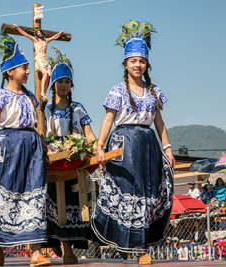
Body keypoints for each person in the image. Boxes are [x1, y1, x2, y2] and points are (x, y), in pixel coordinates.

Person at [91, 20, 174, 265]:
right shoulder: (117, 90)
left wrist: (167, 148)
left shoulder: (153, 91)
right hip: (123, 144)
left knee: (148, 193)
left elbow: (159, 122)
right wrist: (99, 146)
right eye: (133, 61)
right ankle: (130, 246)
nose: (138, 65)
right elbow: (108, 120)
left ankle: (141, 244)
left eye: (141, 61)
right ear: (125, 64)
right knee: (128, 193)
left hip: (148, 145)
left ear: (147, 64)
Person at [0, 34, 50, 267]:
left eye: (28, 68)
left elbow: (37, 120)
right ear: (10, 72)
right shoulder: (0, 95)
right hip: (8, 147)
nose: (28, 72)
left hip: (32, 147)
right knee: (6, 195)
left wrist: (43, 144)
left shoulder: (30, 96)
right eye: (23, 68)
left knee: (35, 193)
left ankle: (36, 252)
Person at [43, 51, 97, 263]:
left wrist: (94, 149)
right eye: (60, 81)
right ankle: (60, 246)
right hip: (52, 163)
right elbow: (40, 134)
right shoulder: (45, 108)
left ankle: (68, 248)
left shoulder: (78, 108)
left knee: (73, 205)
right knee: (54, 205)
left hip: (74, 163)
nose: (64, 85)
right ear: (53, 84)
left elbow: (89, 133)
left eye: (67, 81)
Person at [13, 24, 64, 101]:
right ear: (36, 34)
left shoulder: (45, 40)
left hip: (45, 59)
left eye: (40, 32)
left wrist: (60, 33)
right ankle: (42, 92)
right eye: (37, 32)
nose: (39, 33)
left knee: (49, 75)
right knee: (45, 74)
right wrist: (17, 28)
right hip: (39, 59)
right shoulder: (35, 40)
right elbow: (25, 34)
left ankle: (44, 93)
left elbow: (54, 37)